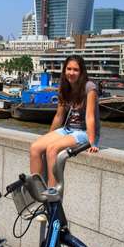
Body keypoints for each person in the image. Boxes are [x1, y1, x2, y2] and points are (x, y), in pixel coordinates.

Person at [29, 55, 100, 187]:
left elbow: (90, 116)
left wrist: (92, 142)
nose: (71, 73)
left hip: (83, 132)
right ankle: (37, 190)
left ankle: (52, 194)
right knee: (35, 147)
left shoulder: (89, 88)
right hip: (67, 130)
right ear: (64, 70)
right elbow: (59, 116)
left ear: (82, 72)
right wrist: (48, 135)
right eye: (68, 69)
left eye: (75, 70)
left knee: (52, 149)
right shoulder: (64, 86)